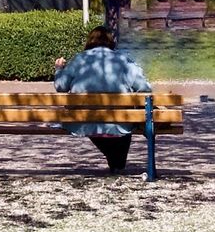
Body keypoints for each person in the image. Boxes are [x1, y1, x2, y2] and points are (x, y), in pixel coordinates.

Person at [52, 27, 153, 174]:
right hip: (119, 123)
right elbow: (144, 88)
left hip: (83, 122)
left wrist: (59, 69)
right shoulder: (123, 60)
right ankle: (117, 163)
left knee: (103, 131)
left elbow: (61, 86)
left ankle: (115, 162)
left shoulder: (79, 59)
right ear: (111, 41)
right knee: (124, 125)